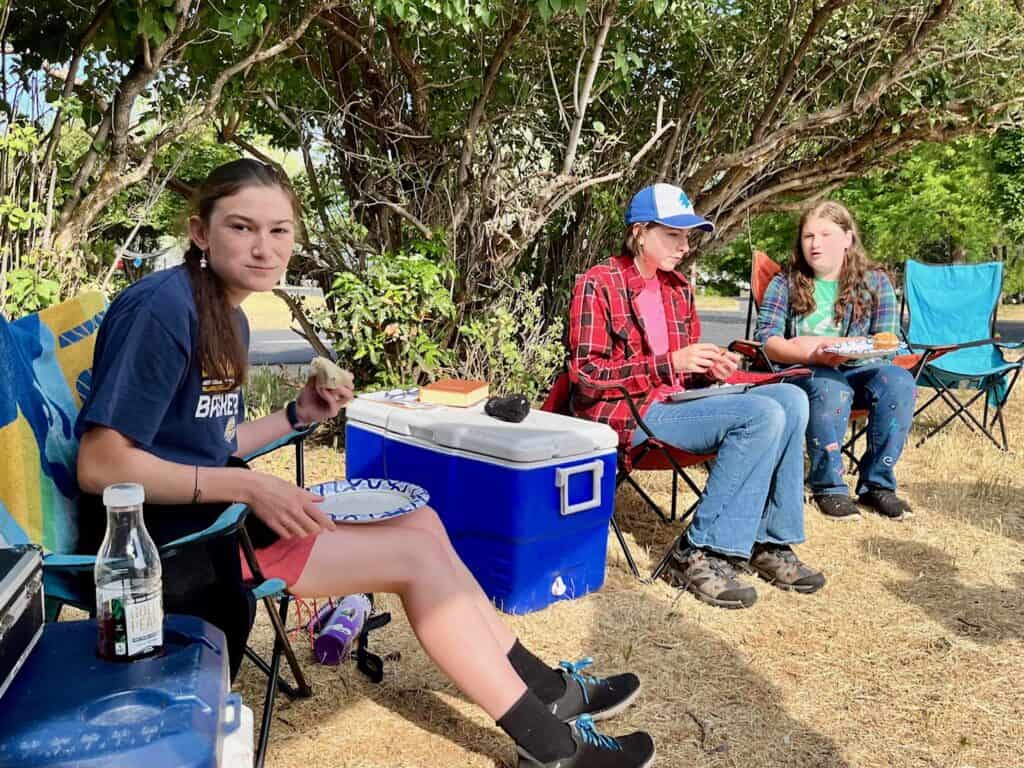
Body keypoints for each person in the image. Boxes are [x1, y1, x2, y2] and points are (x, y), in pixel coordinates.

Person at [74, 159, 655, 768]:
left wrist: (297, 415)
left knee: (423, 524)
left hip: (217, 513)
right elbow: (101, 464)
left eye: (279, 230)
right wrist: (248, 487)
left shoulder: (229, 315)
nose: (264, 248)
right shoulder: (163, 310)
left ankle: (546, 690)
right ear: (201, 232)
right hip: (171, 542)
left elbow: (209, 444)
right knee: (414, 559)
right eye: (242, 228)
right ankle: (552, 748)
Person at [568, 183, 825, 610]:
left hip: (677, 407)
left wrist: (709, 369)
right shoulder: (600, 283)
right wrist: (668, 363)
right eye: (673, 235)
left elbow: (684, 375)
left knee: (792, 399)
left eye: (687, 236)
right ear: (639, 232)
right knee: (761, 414)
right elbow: (588, 377)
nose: (685, 246)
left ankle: (768, 541)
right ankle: (696, 551)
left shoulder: (678, 288)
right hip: (628, 416)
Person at [754, 200, 916, 522]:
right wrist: (811, 353)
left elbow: (886, 341)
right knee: (831, 386)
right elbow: (766, 341)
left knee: (899, 382)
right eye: (808, 236)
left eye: (825, 235)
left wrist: (847, 348)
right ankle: (828, 486)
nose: (815, 244)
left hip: (860, 369)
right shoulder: (785, 282)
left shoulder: (875, 282)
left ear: (847, 238)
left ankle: (877, 485)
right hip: (803, 371)